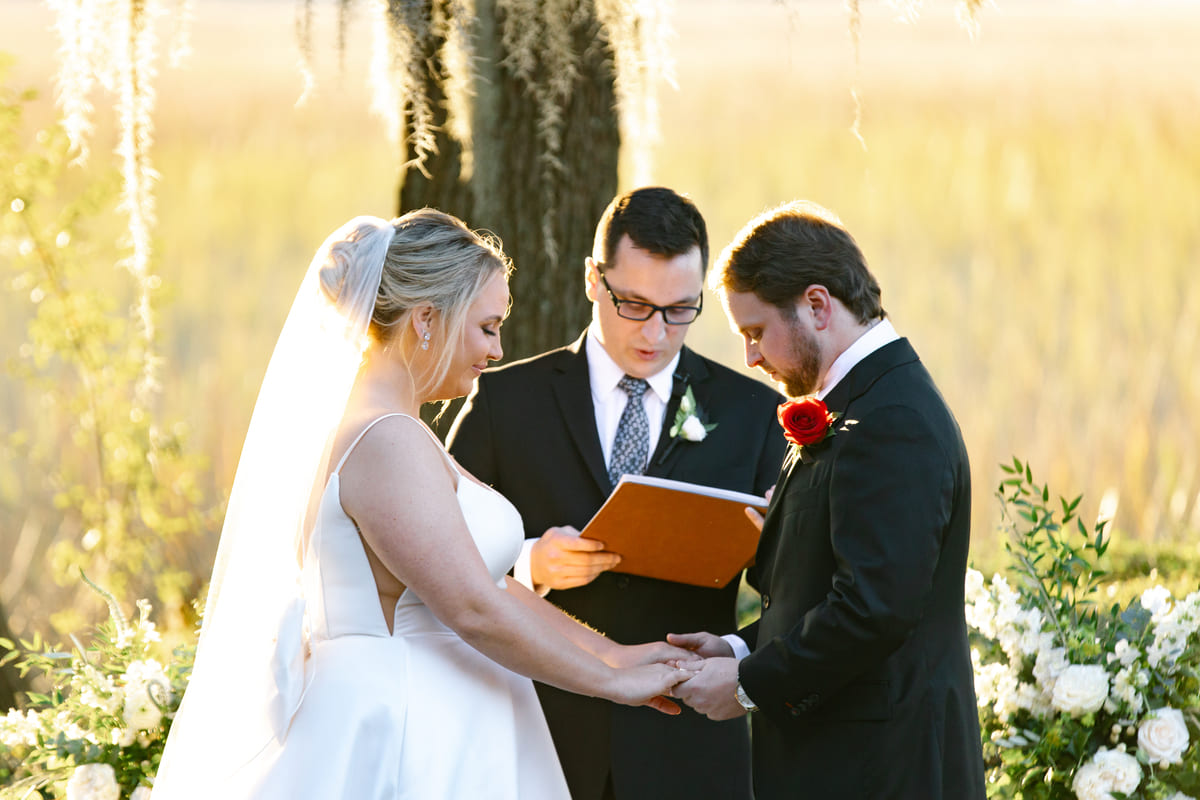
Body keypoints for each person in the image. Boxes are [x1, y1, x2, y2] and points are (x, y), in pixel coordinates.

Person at [151, 210, 695, 800]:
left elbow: (486, 584)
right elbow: (471, 607)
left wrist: (615, 656)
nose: (496, 348)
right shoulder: (383, 438)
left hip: (451, 712)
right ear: (427, 319)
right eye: (486, 327)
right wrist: (608, 687)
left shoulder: (399, 430)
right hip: (408, 728)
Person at [446, 187, 786, 800]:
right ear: (591, 280)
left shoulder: (755, 412)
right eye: (634, 304)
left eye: (680, 310)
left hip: (689, 747)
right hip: (539, 730)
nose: (656, 332)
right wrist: (528, 563)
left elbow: (794, 585)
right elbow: (437, 555)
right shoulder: (505, 402)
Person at [669, 200, 986, 799]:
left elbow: (872, 609)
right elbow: (831, 585)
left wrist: (747, 684)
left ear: (817, 305)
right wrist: (742, 644)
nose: (751, 357)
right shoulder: (857, 403)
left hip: (883, 770)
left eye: (757, 332)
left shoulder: (892, 418)